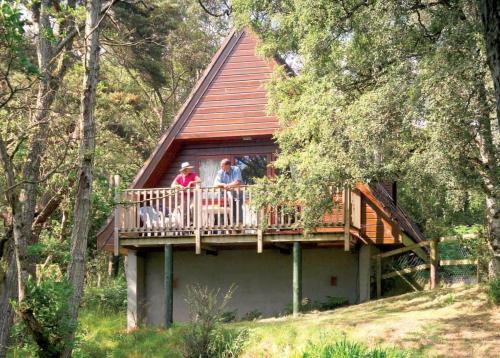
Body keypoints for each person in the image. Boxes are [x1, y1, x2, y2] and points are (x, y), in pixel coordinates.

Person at [171, 162, 201, 228]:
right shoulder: (179, 177)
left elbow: (199, 180)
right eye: (188, 168)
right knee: (184, 211)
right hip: (184, 196)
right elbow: (172, 185)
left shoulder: (193, 175)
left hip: (192, 195)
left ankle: (195, 225)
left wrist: (191, 182)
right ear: (185, 170)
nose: (190, 169)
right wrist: (179, 186)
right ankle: (185, 227)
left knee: (192, 207)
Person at [214, 159, 243, 225]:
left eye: (222, 166)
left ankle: (240, 225)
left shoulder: (236, 169)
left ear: (228, 165)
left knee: (238, 210)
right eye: (221, 166)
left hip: (237, 194)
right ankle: (232, 225)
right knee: (229, 210)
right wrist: (224, 185)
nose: (221, 168)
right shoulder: (220, 172)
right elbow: (215, 184)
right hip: (225, 196)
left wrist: (228, 185)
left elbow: (237, 182)